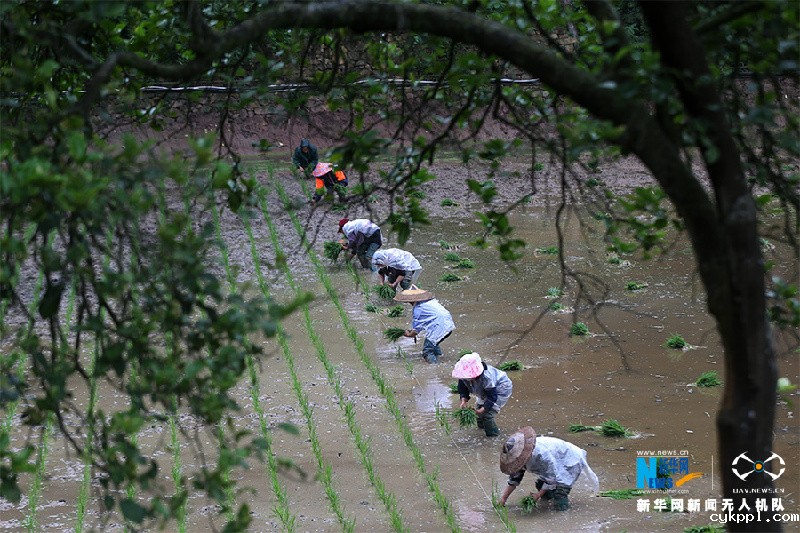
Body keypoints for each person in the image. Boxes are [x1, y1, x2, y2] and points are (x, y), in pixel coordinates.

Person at [498, 426, 599, 511]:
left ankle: (562, 512)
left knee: (560, 491)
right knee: (540, 484)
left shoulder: (542, 455)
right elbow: (514, 480)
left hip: (569, 460)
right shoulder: (518, 459)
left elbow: (552, 477)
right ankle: (547, 502)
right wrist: (503, 499)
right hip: (554, 461)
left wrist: (537, 495)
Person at [452, 352, 512, 437]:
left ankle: (493, 436)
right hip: (483, 389)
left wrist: (482, 410)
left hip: (500, 388)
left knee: (487, 414)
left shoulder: (487, 378)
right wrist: (463, 401)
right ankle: (482, 429)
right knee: (479, 413)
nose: (467, 378)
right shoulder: (464, 376)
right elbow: (463, 389)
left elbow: (492, 397)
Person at [394, 288, 455, 363]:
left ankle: (436, 367)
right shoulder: (431, 302)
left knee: (427, 351)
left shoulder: (418, 309)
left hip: (439, 327)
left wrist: (408, 334)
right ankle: (439, 358)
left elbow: (415, 331)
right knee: (433, 343)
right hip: (448, 325)